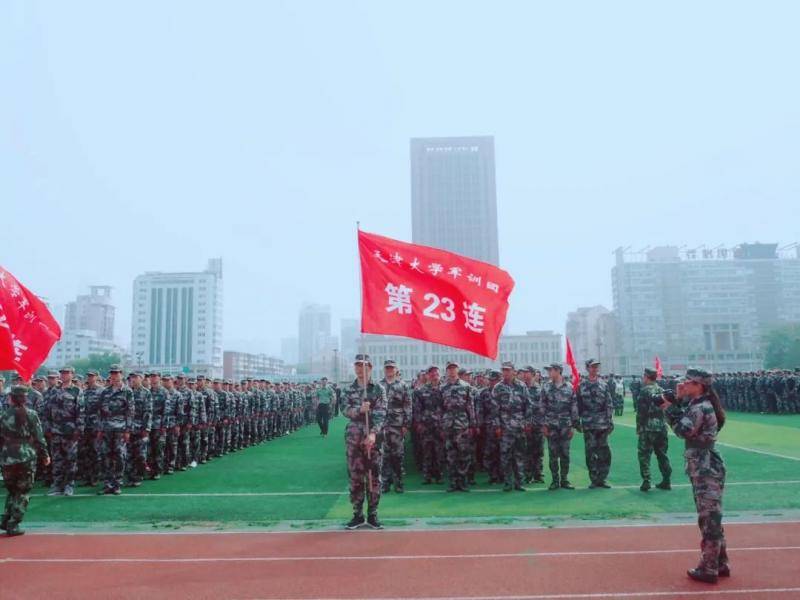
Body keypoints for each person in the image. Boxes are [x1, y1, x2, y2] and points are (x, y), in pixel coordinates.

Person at [661, 368, 729, 584]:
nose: (684, 385)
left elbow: (684, 430)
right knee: (712, 517)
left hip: (705, 466)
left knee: (709, 518)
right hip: (703, 463)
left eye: (689, 382)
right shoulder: (698, 404)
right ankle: (720, 562)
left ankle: (709, 568)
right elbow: (686, 420)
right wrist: (678, 400)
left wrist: (670, 409)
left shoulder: (701, 407)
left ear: (699, 386)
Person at [342, 354, 387, 529]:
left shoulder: (378, 389)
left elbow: (381, 413)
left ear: (370, 367)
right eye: (358, 365)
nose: (360, 368)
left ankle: (373, 514)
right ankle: (357, 514)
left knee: (374, 476)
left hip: (372, 438)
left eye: (364, 365)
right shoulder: (349, 389)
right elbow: (344, 409)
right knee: (355, 476)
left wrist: (374, 434)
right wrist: (359, 410)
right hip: (354, 437)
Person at [1, 385, 51, 536]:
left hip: (7, 456)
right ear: (24, 398)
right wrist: (45, 455)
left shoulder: (3, 415)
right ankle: (13, 523)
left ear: (11, 398)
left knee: (12, 490)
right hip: (26, 456)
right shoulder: (31, 414)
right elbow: (39, 437)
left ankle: (6, 519)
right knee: (23, 491)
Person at [490, 362, 531, 492]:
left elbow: (528, 405)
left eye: (508, 370)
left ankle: (519, 482)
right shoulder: (498, 387)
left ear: (514, 371)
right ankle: (508, 482)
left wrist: (527, 422)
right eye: (504, 370)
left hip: (519, 427)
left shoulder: (522, 386)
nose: (506, 373)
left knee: (519, 455)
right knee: (505, 456)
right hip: (505, 427)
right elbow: (494, 409)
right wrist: (497, 426)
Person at [541, 363, 580, 490]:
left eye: (550, 370)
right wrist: (544, 425)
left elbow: (573, 408)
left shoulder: (569, 387)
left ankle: (564, 479)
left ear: (558, 371)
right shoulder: (546, 387)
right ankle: (554, 480)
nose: (548, 373)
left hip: (565, 426)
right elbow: (542, 407)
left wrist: (573, 426)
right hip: (551, 426)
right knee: (553, 455)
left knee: (565, 454)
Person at [577, 359, 614, 489]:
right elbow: (578, 405)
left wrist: (610, 421)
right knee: (590, 453)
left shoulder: (604, 385)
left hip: (602, 424)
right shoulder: (582, 385)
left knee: (605, 452)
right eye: (592, 367)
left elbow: (608, 404)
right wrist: (578, 422)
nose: (595, 369)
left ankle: (602, 479)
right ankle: (593, 479)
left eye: (596, 367)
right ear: (587, 368)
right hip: (588, 424)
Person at [441, 361, 476, 492]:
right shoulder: (443, 388)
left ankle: (463, 482)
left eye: (454, 368)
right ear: (446, 371)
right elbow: (440, 408)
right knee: (451, 455)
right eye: (449, 369)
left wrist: (472, 424)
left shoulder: (466, 386)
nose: (451, 371)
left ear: (457, 370)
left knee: (464, 454)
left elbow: (470, 406)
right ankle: (453, 482)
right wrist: (442, 426)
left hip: (462, 424)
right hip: (448, 424)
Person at [636, 367, 672, 492]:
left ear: (646, 377)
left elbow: (641, 412)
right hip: (661, 426)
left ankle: (646, 481)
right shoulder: (662, 390)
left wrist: (639, 427)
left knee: (644, 455)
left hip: (648, 426)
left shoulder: (644, 391)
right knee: (662, 454)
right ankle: (666, 480)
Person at [379, 360, 412, 493]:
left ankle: (399, 483)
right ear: (384, 370)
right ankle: (385, 483)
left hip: (398, 425)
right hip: (382, 425)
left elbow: (408, 405)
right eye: (387, 368)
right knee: (384, 455)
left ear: (396, 369)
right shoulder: (378, 385)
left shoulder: (403, 385)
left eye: (392, 368)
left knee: (398, 455)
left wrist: (406, 424)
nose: (389, 370)